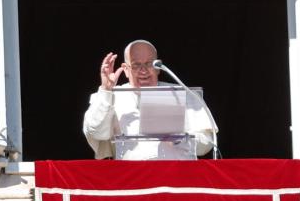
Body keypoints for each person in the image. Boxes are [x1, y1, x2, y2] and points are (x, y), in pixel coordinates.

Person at [83, 39, 217, 160]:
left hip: (176, 177)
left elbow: (207, 144)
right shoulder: (112, 95)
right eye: (136, 65)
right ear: (125, 69)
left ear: (158, 67)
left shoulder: (183, 93)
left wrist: (180, 137)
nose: (143, 71)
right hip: (131, 178)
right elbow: (97, 133)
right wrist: (106, 89)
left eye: (149, 64)